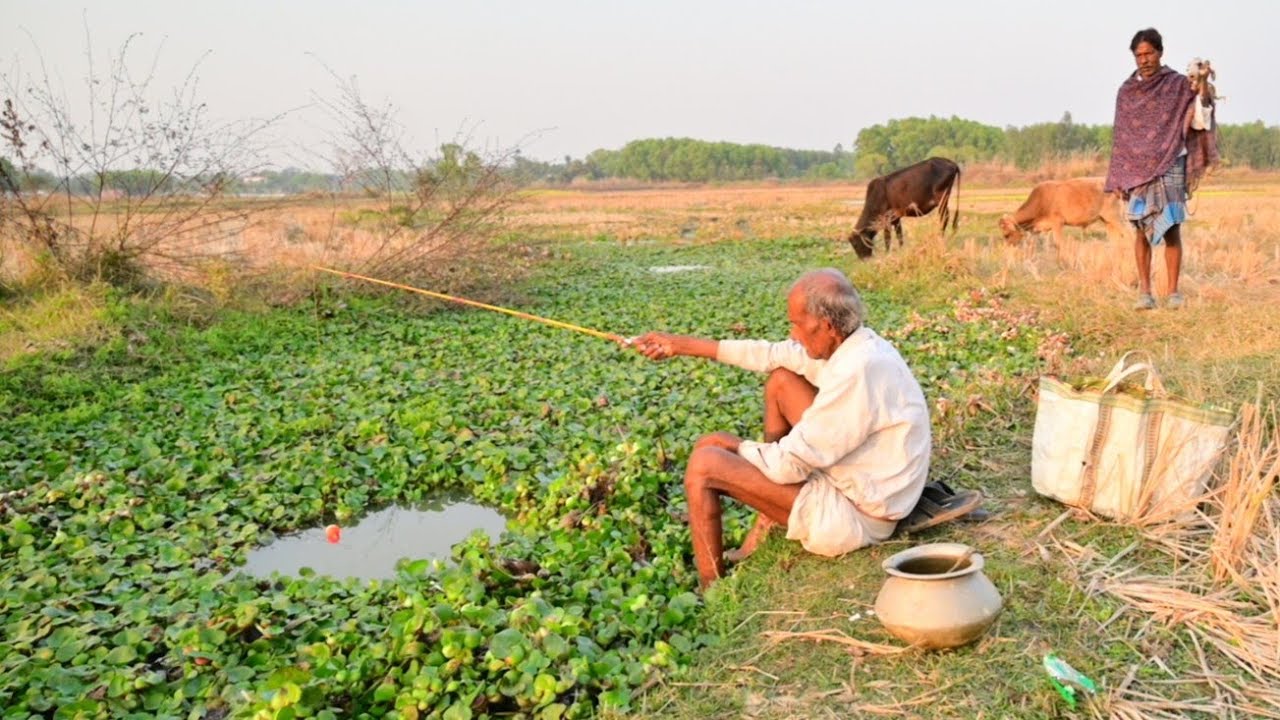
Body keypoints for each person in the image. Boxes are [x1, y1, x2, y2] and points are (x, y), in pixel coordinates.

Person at [630, 269, 932, 589]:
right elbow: (771, 355)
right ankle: (769, 519)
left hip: (857, 516)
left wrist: (734, 445)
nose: (793, 335)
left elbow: (789, 465)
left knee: (705, 464)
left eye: (797, 324)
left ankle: (711, 589)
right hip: (862, 480)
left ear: (826, 326)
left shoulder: (858, 372)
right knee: (781, 381)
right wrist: (677, 344)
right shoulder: (856, 345)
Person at [1104, 27, 1218, 311]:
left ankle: (1174, 292)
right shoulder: (1127, 92)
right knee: (1140, 230)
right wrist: (1119, 174)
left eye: (1149, 53)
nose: (1144, 59)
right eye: (1138, 55)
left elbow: (1200, 111)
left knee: (1171, 227)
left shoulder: (1177, 85)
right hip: (1136, 171)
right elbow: (1121, 136)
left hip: (1170, 163)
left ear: (1160, 53)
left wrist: (1202, 82)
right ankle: (1145, 293)